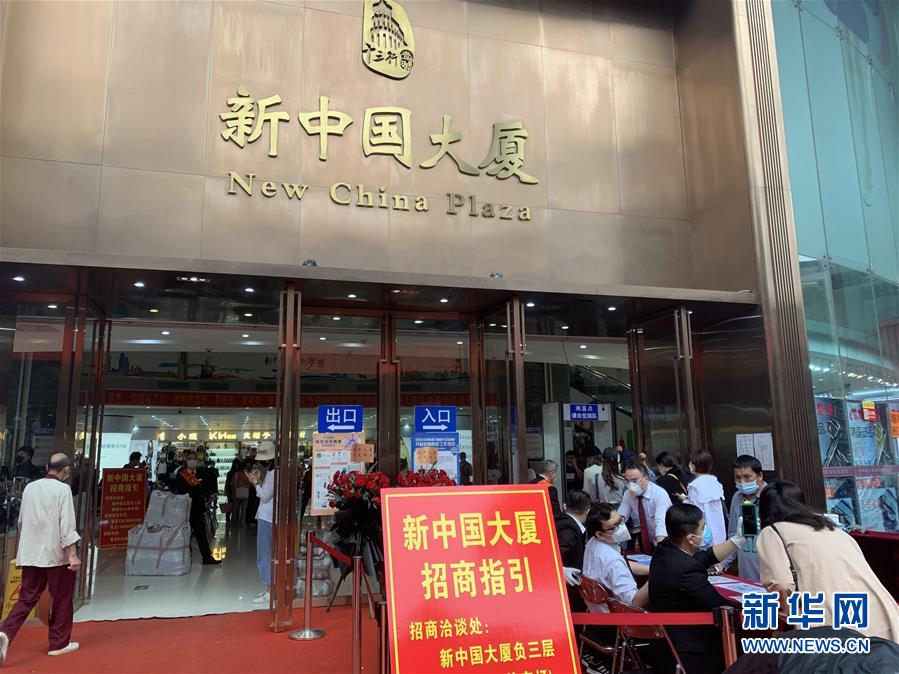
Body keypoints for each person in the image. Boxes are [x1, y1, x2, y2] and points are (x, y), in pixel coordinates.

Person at [757, 479, 899, 641]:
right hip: (880, 614)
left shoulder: (772, 532)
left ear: (765, 510)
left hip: (833, 625)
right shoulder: (832, 528)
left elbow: (780, 583)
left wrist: (788, 613)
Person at [0, 453, 81, 663]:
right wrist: (73, 554)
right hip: (56, 555)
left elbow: (21, 521)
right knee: (61, 598)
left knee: (26, 598)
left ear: (46, 467)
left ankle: (5, 632)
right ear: (66, 471)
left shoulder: (30, 488)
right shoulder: (63, 490)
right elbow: (67, 524)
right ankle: (59, 643)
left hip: (31, 553)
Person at [649, 503, 743, 674]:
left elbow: (702, 558)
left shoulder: (664, 548)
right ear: (691, 539)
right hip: (692, 647)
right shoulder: (686, 571)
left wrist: (735, 541)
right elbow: (719, 605)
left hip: (666, 640)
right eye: (703, 527)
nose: (706, 530)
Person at [583, 502, 650, 611]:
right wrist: (657, 576)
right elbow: (634, 603)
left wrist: (651, 569)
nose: (621, 527)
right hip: (617, 617)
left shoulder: (593, 543)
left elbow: (622, 564)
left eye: (621, 521)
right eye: (614, 526)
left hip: (596, 611)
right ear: (600, 534)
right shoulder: (612, 560)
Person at [172, 452, 221, 566]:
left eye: (194, 458)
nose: (192, 460)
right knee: (185, 533)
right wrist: (196, 488)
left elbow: (206, 488)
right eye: (190, 458)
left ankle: (206, 557)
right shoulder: (181, 474)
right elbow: (181, 490)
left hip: (198, 507)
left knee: (201, 533)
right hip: (185, 508)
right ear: (186, 461)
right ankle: (182, 557)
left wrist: (199, 487)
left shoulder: (202, 473)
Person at [724, 454, 766, 580]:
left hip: (769, 571)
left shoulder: (772, 496)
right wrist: (723, 563)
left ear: (760, 476)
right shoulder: (737, 497)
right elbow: (733, 535)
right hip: (746, 571)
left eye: (747, 477)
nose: (742, 482)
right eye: (738, 477)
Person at [246, 440, 276, 604]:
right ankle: (270, 588)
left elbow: (265, 496)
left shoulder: (273, 474)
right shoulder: (276, 473)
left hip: (267, 517)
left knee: (264, 555)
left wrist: (255, 483)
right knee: (269, 554)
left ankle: (269, 590)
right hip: (271, 517)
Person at [617, 462, 671, 553]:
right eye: (627, 481)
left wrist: (662, 552)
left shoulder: (659, 494)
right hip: (649, 538)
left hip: (666, 540)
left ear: (646, 478)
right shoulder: (628, 495)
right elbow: (621, 517)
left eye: (635, 481)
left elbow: (661, 524)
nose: (631, 485)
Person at [556, 489, 591, 613]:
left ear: (565, 506)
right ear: (587, 511)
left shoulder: (563, 521)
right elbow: (559, 552)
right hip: (569, 588)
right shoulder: (568, 529)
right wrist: (561, 569)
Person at [685, 450, 727, 546]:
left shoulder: (694, 486)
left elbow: (695, 511)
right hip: (720, 533)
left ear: (694, 464)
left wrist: (685, 501)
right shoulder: (715, 482)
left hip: (704, 534)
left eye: (690, 462)